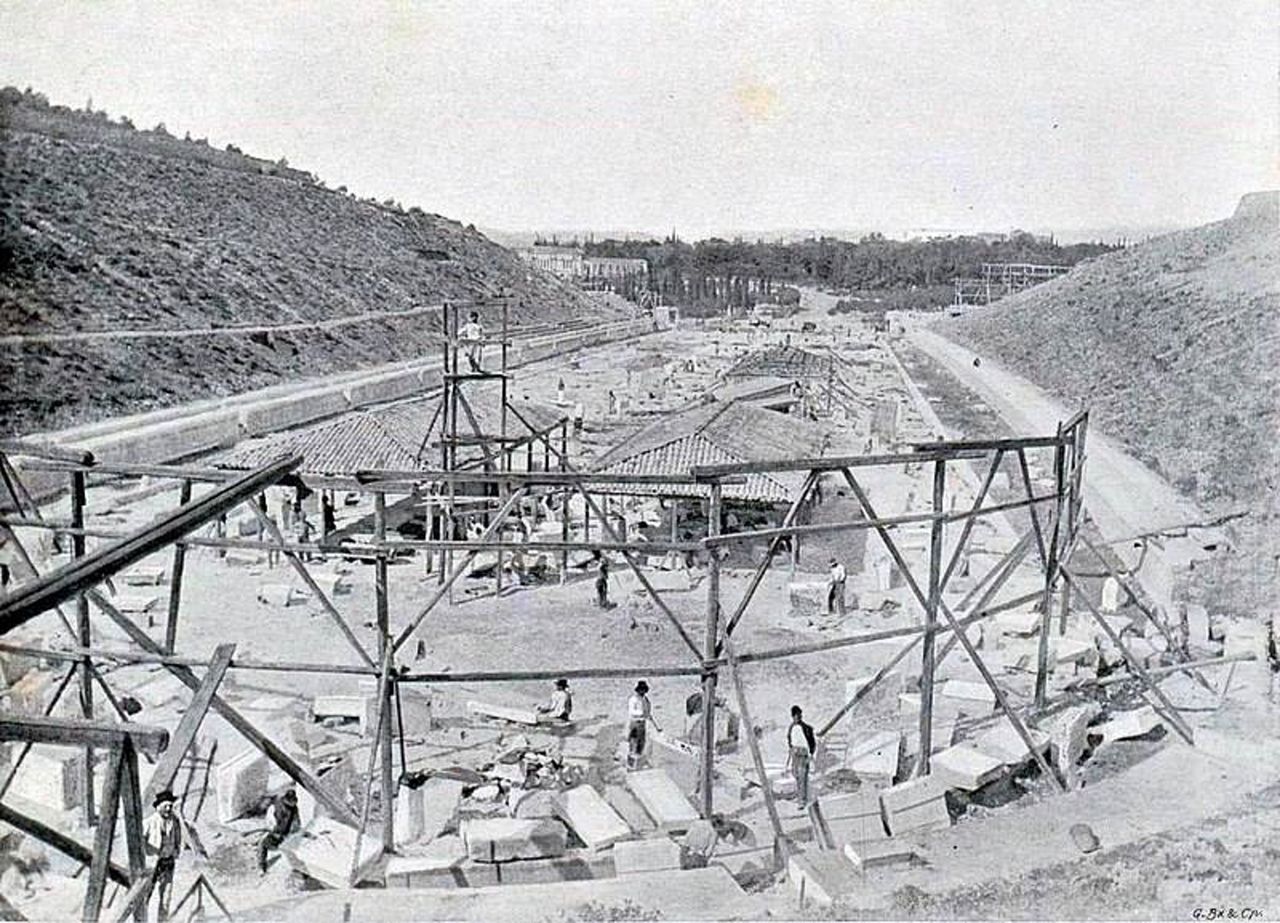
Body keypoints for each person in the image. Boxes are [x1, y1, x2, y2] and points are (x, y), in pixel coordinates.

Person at [144, 790, 205, 920]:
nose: (168, 809)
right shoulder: (149, 822)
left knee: (166, 896)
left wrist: (176, 852)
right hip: (153, 863)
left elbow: (182, 835)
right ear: (158, 807)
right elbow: (139, 841)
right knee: (146, 894)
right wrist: (148, 852)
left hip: (168, 862)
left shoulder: (175, 822)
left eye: (170, 806)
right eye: (165, 806)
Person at [258, 789, 301, 874]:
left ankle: (297, 867)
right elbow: (271, 820)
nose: (292, 805)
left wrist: (292, 833)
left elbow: (296, 822)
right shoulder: (277, 805)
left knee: (293, 849)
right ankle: (262, 867)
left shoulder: (294, 808)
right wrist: (273, 830)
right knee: (262, 844)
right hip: (276, 831)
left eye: (293, 803)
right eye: (290, 803)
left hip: (287, 833)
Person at [786, 705, 817, 808]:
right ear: (792, 716)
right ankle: (800, 796)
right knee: (797, 776)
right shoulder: (791, 728)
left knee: (803, 777)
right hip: (795, 754)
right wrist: (791, 749)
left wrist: (811, 754)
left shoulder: (806, 728)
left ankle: (802, 801)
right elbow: (789, 740)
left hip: (803, 754)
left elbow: (812, 742)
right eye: (795, 715)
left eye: (799, 715)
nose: (798, 717)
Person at [627, 681, 661, 769]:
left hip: (642, 723)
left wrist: (656, 726)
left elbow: (648, 713)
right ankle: (630, 764)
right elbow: (631, 712)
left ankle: (637, 763)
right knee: (633, 743)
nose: (642, 692)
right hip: (635, 722)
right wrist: (641, 713)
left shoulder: (646, 700)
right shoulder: (633, 699)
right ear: (638, 690)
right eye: (641, 690)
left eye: (644, 690)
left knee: (641, 743)